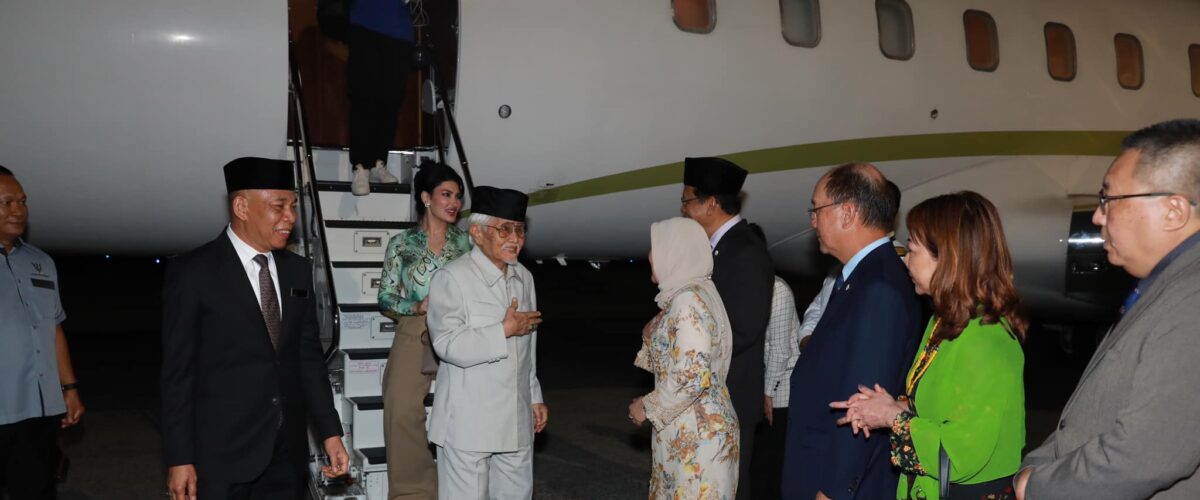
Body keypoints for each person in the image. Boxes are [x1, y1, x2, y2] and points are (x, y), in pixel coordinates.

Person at [1015, 119, 1200, 499]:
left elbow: (1145, 455)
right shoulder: (1168, 287)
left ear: (1174, 211)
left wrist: (1039, 485)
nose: (1098, 216)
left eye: (1109, 199)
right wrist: (1039, 463)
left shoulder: (1192, 300)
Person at [161, 157, 348, 500]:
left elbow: (308, 359)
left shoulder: (297, 271)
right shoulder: (194, 273)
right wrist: (179, 457)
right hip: (220, 454)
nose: (291, 217)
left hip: (285, 452)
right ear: (242, 207)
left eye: (293, 206)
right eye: (279, 206)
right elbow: (178, 375)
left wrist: (329, 432)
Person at [830, 191, 1027, 500]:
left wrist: (892, 418)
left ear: (947, 258)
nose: (905, 259)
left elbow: (963, 453)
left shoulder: (985, 340)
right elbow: (942, 409)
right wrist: (891, 406)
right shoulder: (947, 321)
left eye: (912, 249)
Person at [782, 162, 921, 500]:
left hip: (836, 481)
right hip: (819, 464)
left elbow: (862, 402)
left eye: (817, 209)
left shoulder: (879, 288)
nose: (813, 220)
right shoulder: (859, 277)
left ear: (847, 213)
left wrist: (834, 490)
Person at [425, 186, 547, 500]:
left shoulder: (524, 278)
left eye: (520, 229)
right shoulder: (452, 278)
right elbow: (448, 345)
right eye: (504, 229)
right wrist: (503, 330)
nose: (515, 238)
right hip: (469, 423)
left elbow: (528, 349)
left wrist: (533, 396)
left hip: (515, 419)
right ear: (477, 233)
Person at [680, 156, 774, 499]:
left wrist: (687, 349)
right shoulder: (717, 248)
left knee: (730, 488)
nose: (684, 210)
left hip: (730, 397)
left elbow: (744, 328)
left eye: (687, 202)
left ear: (711, 204)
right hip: (713, 394)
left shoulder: (744, 250)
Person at [629, 217, 741, 499]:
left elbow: (691, 375)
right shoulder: (698, 292)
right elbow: (676, 361)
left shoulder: (687, 300)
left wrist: (647, 406)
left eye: (657, 246)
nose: (651, 254)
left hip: (696, 434)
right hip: (694, 426)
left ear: (676, 250)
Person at [377, 162, 470, 500]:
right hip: (415, 327)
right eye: (447, 195)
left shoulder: (468, 244)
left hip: (461, 329)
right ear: (426, 198)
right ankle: (414, 492)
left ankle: (461, 487)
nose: (454, 203)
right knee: (400, 407)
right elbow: (385, 297)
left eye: (458, 197)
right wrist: (415, 306)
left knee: (464, 411)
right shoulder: (401, 243)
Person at [0, 165, 84, 500]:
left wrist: (69, 388)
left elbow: (53, 327)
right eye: (6, 202)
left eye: (22, 201)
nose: (18, 210)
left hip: (38, 410)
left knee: (36, 491)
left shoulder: (41, 262)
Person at [346, 0, 412, 195]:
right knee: (364, 97)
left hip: (399, 31)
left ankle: (378, 162)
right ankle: (361, 166)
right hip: (366, 23)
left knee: (391, 101)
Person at [752, 276, 802, 500]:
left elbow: (781, 350)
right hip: (767, 384)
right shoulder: (753, 285)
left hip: (782, 391)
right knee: (762, 466)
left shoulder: (777, 290)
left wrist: (767, 392)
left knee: (772, 467)